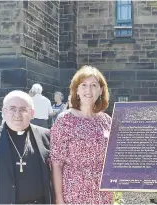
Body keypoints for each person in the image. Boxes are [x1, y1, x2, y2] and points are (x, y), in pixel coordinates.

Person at [50, 65, 112, 204]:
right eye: (83, 85)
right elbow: (56, 163)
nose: (88, 90)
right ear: (76, 90)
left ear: (101, 90)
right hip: (73, 192)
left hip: (102, 193)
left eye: (94, 85)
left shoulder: (106, 120)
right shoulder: (64, 120)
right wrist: (59, 198)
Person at [0, 90, 53, 204]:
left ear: (32, 113)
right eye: (12, 108)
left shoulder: (47, 136)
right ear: (4, 111)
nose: (17, 114)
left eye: (23, 109)